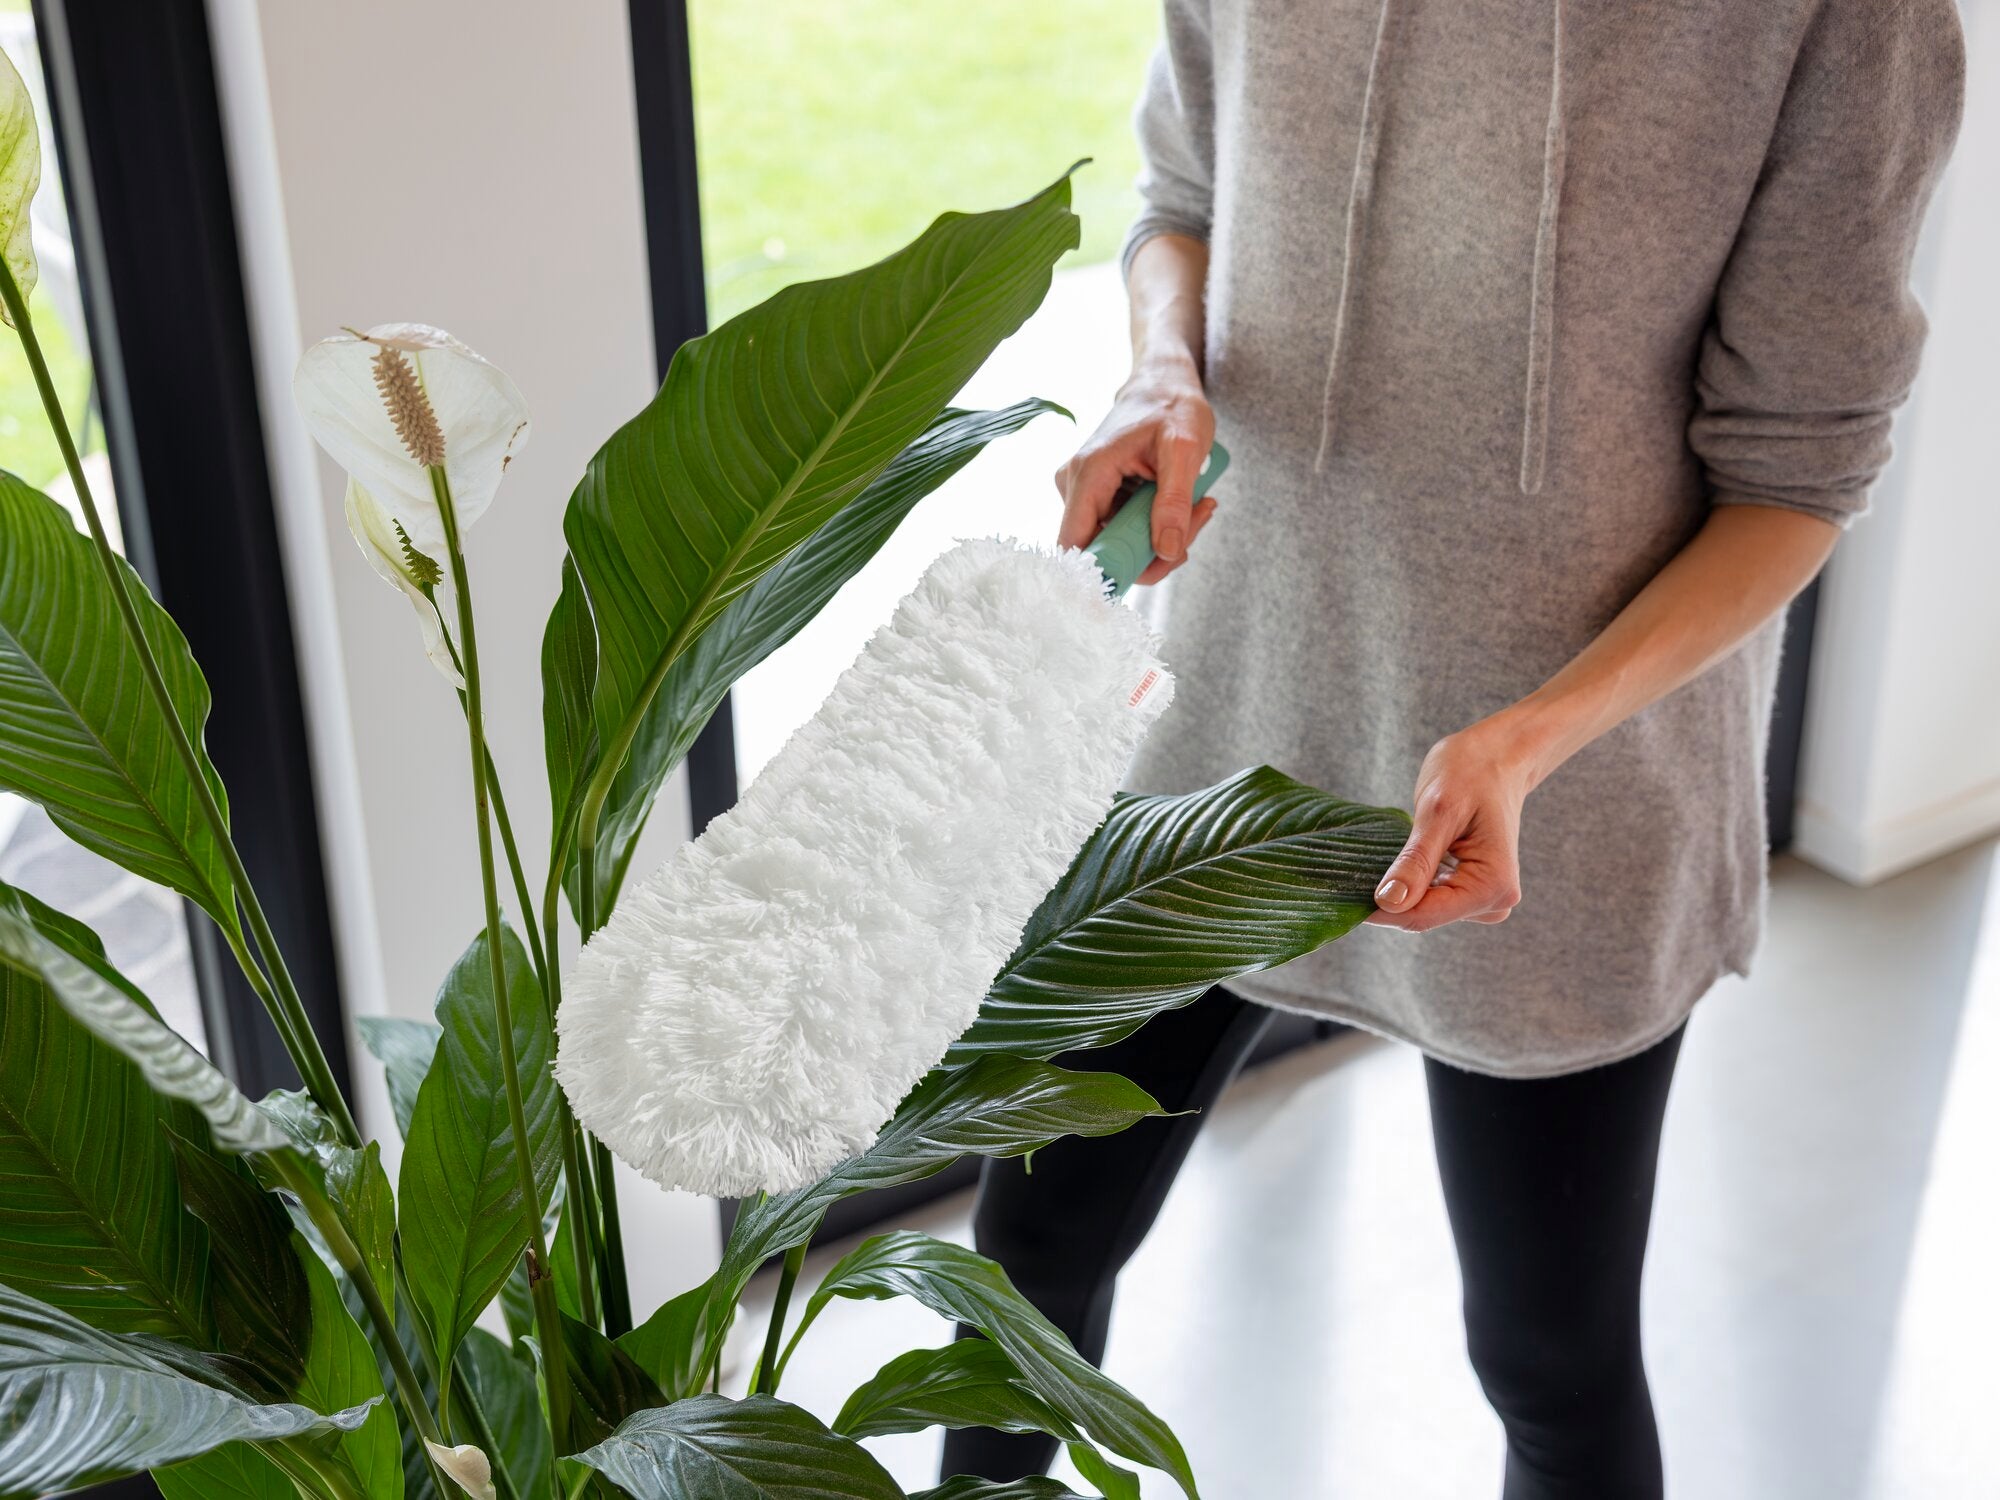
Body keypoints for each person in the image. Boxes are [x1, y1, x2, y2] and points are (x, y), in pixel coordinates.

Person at [944, 2, 1965, 1495]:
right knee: (1031, 1251)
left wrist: (1531, 738)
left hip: (1565, 799)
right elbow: (1183, 203)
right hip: (1218, 733)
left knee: (1548, 1361)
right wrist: (1164, 367)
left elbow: (1797, 475)